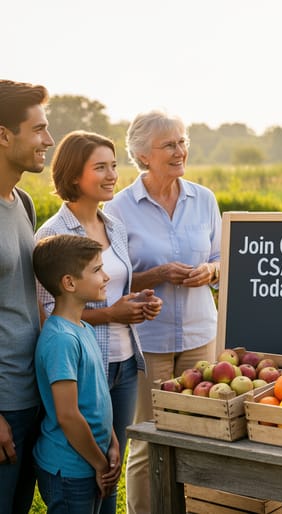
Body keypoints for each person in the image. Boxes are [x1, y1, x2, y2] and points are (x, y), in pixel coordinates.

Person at [35, 130, 163, 514]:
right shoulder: (52, 235)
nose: (112, 175)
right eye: (101, 167)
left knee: (111, 464)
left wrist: (137, 302)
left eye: (114, 165)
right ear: (75, 175)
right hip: (84, 365)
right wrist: (112, 313)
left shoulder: (115, 227)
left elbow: (114, 286)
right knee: (87, 467)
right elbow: (50, 313)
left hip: (125, 361)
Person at [103, 110, 221, 514]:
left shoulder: (203, 199)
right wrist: (156, 275)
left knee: (198, 435)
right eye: (169, 144)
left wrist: (211, 270)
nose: (180, 150)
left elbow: (223, 260)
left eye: (183, 141)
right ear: (143, 155)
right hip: (145, 341)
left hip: (198, 336)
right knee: (149, 437)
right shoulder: (118, 209)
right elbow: (108, 279)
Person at [31, 234, 121, 514]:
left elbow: (98, 399)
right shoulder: (61, 340)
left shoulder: (84, 329)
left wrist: (113, 443)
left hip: (92, 460)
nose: (106, 277)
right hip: (71, 469)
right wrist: (99, 463)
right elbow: (68, 415)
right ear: (69, 283)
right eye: (96, 270)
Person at [0, 79, 54, 514]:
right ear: (3, 135)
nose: (48, 141)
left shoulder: (23, 202)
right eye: (38, 129)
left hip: (30, 395)